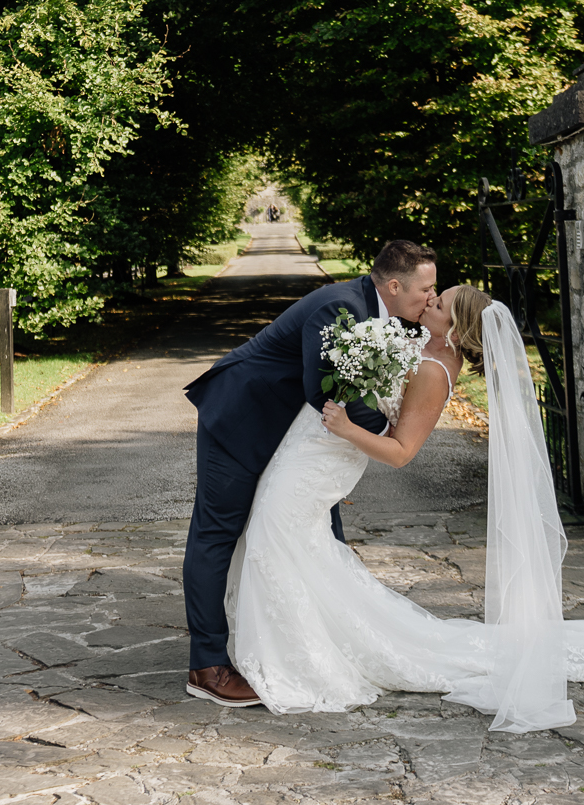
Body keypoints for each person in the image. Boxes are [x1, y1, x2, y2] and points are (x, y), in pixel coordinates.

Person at [223, 284, 584, 730]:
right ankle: (304, 639)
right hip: (316, 457)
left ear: (454, 323)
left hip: (330, 453)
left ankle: (300, 654)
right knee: (289, 540)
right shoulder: (427, 350)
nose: (429, 300)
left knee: (278, 534)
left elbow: (402, 454)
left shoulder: (433, 371)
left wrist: (348, 427)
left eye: (439, 301)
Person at [181, 239, 441, 706]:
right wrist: (390, 434)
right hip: (242, 420)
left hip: (291, 442)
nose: (431, 297)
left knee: (316, 536)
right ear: (396, 285)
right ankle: (208, 668)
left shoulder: (384, 315)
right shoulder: (340, 308)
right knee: (217, 533)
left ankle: (317, 642)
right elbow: (325, 391)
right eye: (427, 288)